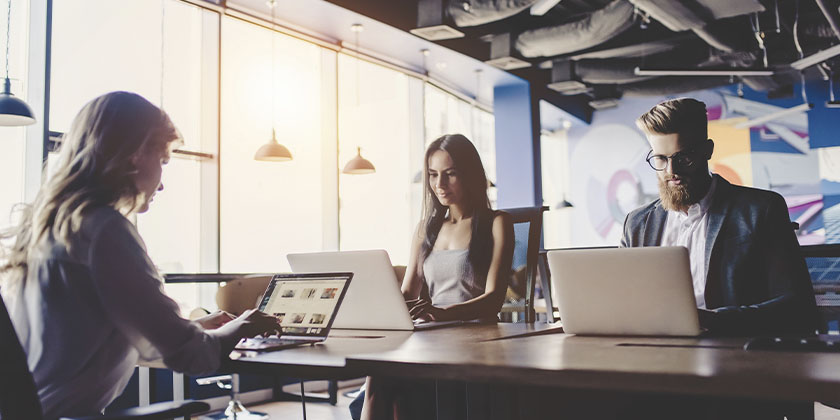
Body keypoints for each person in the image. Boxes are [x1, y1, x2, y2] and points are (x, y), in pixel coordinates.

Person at [0, 91, 280, 420]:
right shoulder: (105, 230)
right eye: (162, 161)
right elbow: (192, 357)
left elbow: (90, 334)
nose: (161, 184)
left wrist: (193, 326)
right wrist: (242, 326)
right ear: (135, 154)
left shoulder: (45, 228)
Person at [621, 97, 818, 337]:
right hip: (652, 349)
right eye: (661, 159)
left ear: (707, 150)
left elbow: (798, 307)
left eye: (684, 157)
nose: (672, 171)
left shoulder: (761, 210)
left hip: (733, 352)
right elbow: (624, 298)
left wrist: (714, 320)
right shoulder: (637, 223)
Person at [356, 134, 514, 420]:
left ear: (470, 175)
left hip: (478, 337)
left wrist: (443, 313)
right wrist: (378, 313)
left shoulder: (497, 223)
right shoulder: (425, 230)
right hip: (432, 334)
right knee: (377, 377)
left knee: (397, 387)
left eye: (450, 174)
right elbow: (407, 293)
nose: (439, 185)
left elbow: (493, 299)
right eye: (433, 175)